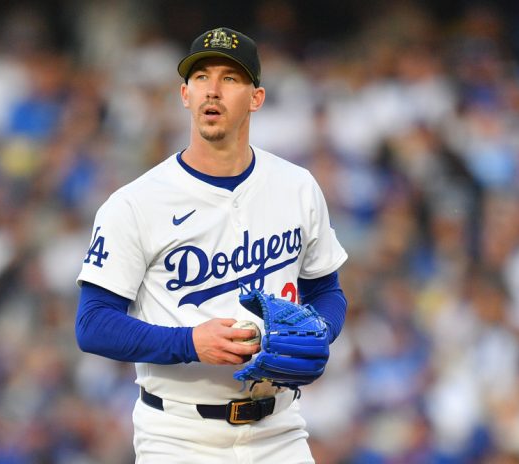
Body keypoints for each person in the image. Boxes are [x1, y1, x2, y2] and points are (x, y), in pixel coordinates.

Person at [75, 26, 348, 464]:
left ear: (256, 98)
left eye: (230, 78)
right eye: (201, 77)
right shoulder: (135, 202)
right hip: (179, 435)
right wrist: (189, 342)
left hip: (280, 430)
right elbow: (92, 324)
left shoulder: (297, 186)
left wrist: (319, 331)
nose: (213, 91)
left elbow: (326, 291)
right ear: (185, 94)